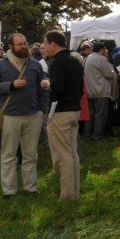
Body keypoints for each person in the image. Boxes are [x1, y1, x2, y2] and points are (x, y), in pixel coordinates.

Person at [0, 33, 49, 197]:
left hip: (33, 115)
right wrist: (10, 85)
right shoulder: (0, 65)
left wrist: (42, 110)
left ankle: (31, 188)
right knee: (8, 155)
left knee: (30, 155)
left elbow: (42, 89)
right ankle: (9, 190)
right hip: (10, 116)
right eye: (19, 44)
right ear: (10, 47)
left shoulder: (35, 64)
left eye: (25, 43)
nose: (23, 47)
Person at [41, 30, 84, 201]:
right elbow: (80, 88)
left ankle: (67, 196)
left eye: (45, 43)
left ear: (53, 43)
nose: (44, 47)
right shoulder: (75, 60)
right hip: (74, 111)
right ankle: (74, 193)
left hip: (61, 113)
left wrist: (46, 83)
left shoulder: (58, 62)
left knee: (63, 155)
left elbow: (58, 88)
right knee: (72, 153)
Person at [83, 42, 115, 141]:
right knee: (100, 115)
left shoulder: (86, 58)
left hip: (89, 90)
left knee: (90, 115)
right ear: (101, 49)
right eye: (104, 49)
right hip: (101, 91)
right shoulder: (101, 59)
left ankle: (88, 135)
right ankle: (97, 136)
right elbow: (110, 74)